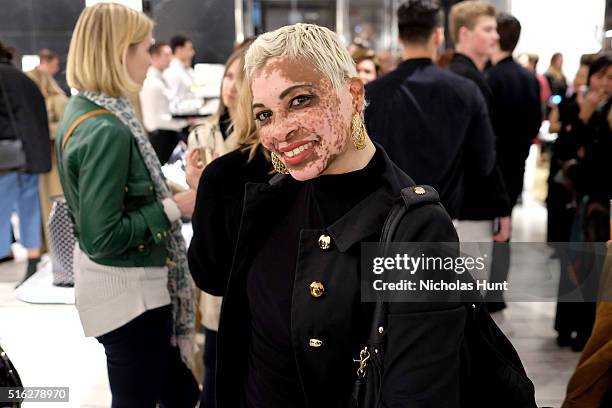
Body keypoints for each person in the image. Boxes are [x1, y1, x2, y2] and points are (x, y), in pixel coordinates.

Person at [193, 22, 465, 407]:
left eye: (300, 101)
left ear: (353, 95)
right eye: (265, 114)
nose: (280, 130)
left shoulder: (416, 228)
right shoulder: (273, 197)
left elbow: (419, 390)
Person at [55, 4, 199, 406]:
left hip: (118, 291)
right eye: (145, 49)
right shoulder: (106, 128)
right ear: (121, 53)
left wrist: (165, 192)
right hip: (128, 295)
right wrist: (176, 207)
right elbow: (104, 235)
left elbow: (117, 194)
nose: (150, 61)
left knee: (179, 392)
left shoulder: (87, 110)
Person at [365, 0, 495, 221]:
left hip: (387, 220)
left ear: (399, 37)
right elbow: (485, 161)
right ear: (438, 35)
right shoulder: (465, 90)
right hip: (443, 218)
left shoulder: (373, 93)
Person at [185, 38, 259, 408]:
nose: (231, 85)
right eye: (228, 75)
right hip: (214, 267)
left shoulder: (263, 145)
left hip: (246, 271)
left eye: (241, 78)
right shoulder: (202, 135)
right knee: (214, 361)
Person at [448, 1, 511, 244]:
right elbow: (483, 152)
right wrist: (502, 205)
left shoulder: (463, 76)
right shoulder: (468, 81)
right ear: (464, 33)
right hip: (470, 207)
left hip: (460, 202)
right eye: (487, 29)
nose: (496, 36)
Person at [0, 41, 51, 285]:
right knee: (29, 208)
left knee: (2, 209)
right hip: (30, 154)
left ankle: (6, 253)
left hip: (5, 156)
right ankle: (32, 261)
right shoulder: (22, 79)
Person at [26, 49, 68, 248]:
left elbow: (67, 127)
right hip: (41, 161)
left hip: (55, 161)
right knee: (43, 204)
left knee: (55, 202)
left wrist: (42, 129)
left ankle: (59, 244)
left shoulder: (58, 101)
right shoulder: (36, 102)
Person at [140, 41, 189, 164]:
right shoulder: (152, 84)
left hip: (167, 133)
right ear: (154, 57)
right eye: (166, 55)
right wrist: (183, 122)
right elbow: (153, 120)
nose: (171, 58)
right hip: (161, 137)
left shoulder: (161, 80)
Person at [164, 34, 196, 104]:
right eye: (190, 49)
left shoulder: (187, 69)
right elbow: (172, 99)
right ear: (179, 50)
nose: (193, 53)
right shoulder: (172, 72)